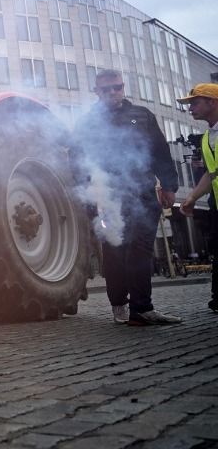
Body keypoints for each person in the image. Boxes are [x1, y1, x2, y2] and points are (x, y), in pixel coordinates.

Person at [74, 69, 182, 326]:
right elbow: (78, 163)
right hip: (108, 196)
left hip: (143, 192)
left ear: (124, 87)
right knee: (114, 250)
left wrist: (169, 186)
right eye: (106, 89)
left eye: (117, 87)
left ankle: (142, 308)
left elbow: (159, 150)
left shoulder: (142, 116)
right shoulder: (87, 122)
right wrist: (88, 199)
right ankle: (119, 304)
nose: (113, 93)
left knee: (141, 248)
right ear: (96, 92)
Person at [175, 83, 218, 313]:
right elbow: (212, 174)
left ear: (212, 102)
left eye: (195, 103)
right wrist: (191, 197)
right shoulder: (206, 138)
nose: (190, 108)